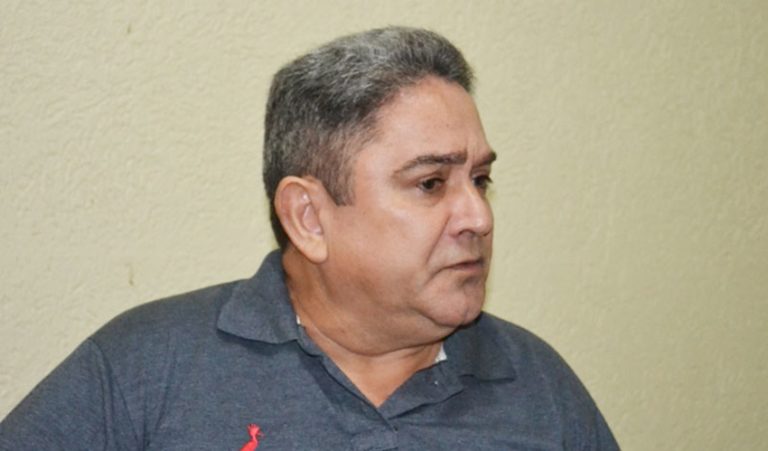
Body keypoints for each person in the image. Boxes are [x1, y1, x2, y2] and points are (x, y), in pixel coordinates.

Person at [0, 27, 619, 450]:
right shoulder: (148, 367)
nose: (478, 217)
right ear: (309, 218)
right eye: (431, 183)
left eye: (480, 180)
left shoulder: (539, 387)